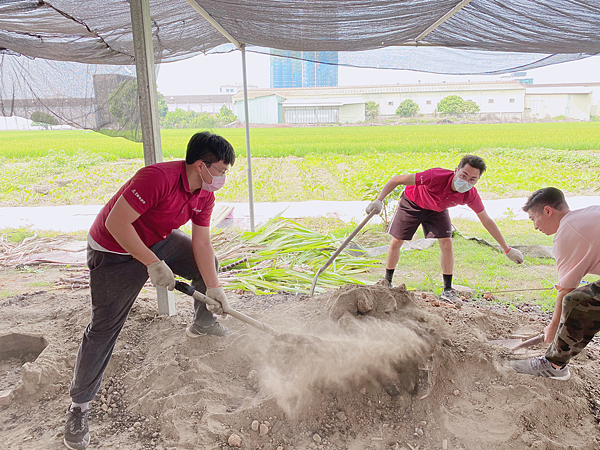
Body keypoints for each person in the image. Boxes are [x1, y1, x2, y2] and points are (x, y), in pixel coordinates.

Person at [63, 131, 236, 449]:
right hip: (112, 251)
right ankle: (78, 408)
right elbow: (117, 224)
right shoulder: (156, 178)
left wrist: (214, 287)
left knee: (206, 261)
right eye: (221, 171)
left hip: (154, 238)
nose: (222, 178)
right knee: (103, 330)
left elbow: (201, 242)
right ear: (201, 165)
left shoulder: (204, 195)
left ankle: (203, 322)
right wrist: (153, 264)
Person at [365, 154, 523, 301]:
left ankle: (448, 289)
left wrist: (507, 249)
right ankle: (387, 281)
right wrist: (379, 200)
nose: (466, 182)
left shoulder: (470, 194)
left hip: (437, 210)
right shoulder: (435, 176)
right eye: (463, 176)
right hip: (413, 202)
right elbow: (397, 179)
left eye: (472, 180)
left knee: (447, 243)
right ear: (456, 171)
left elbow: (486, 220)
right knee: (397, 241)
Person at [512, 187, 600, 381]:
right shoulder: (587, 213)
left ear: (548, 211)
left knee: (578, 302)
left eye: (533, 219)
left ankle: (554, 365)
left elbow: (567, 289)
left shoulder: (568, 232)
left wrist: (553, 327)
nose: (535, 226)